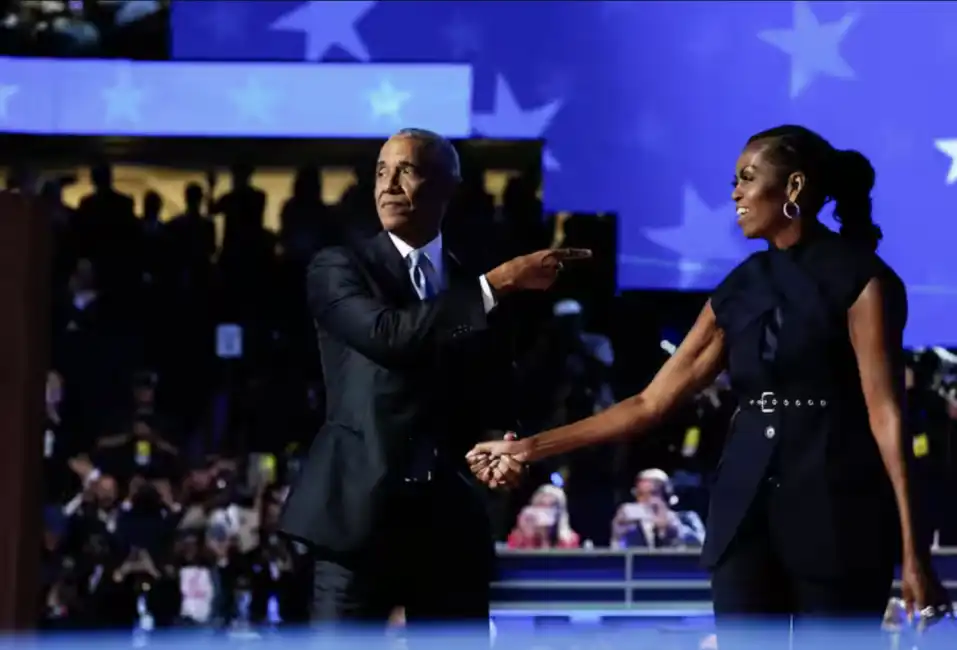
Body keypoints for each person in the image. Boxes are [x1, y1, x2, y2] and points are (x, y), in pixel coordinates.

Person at [466, 125, 951, 647]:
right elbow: (649, 404)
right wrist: (532, 447)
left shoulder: (864, 280)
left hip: (839, 510)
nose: (735, 194)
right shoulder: (739, 288)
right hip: (743, 513)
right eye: (733, 181)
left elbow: (887, 416)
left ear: (793, 188)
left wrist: (913, 550)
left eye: (747, 179)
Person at [277, 128, 590, 636]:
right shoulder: (339, 268)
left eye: (407, 169)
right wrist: (497, 284)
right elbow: (390, 336)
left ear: (449, 186)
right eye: (381, 171)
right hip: (358, 518)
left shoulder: (473, 289)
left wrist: (501, 446)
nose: (389, 185)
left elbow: (493, 393)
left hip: (449, 525)